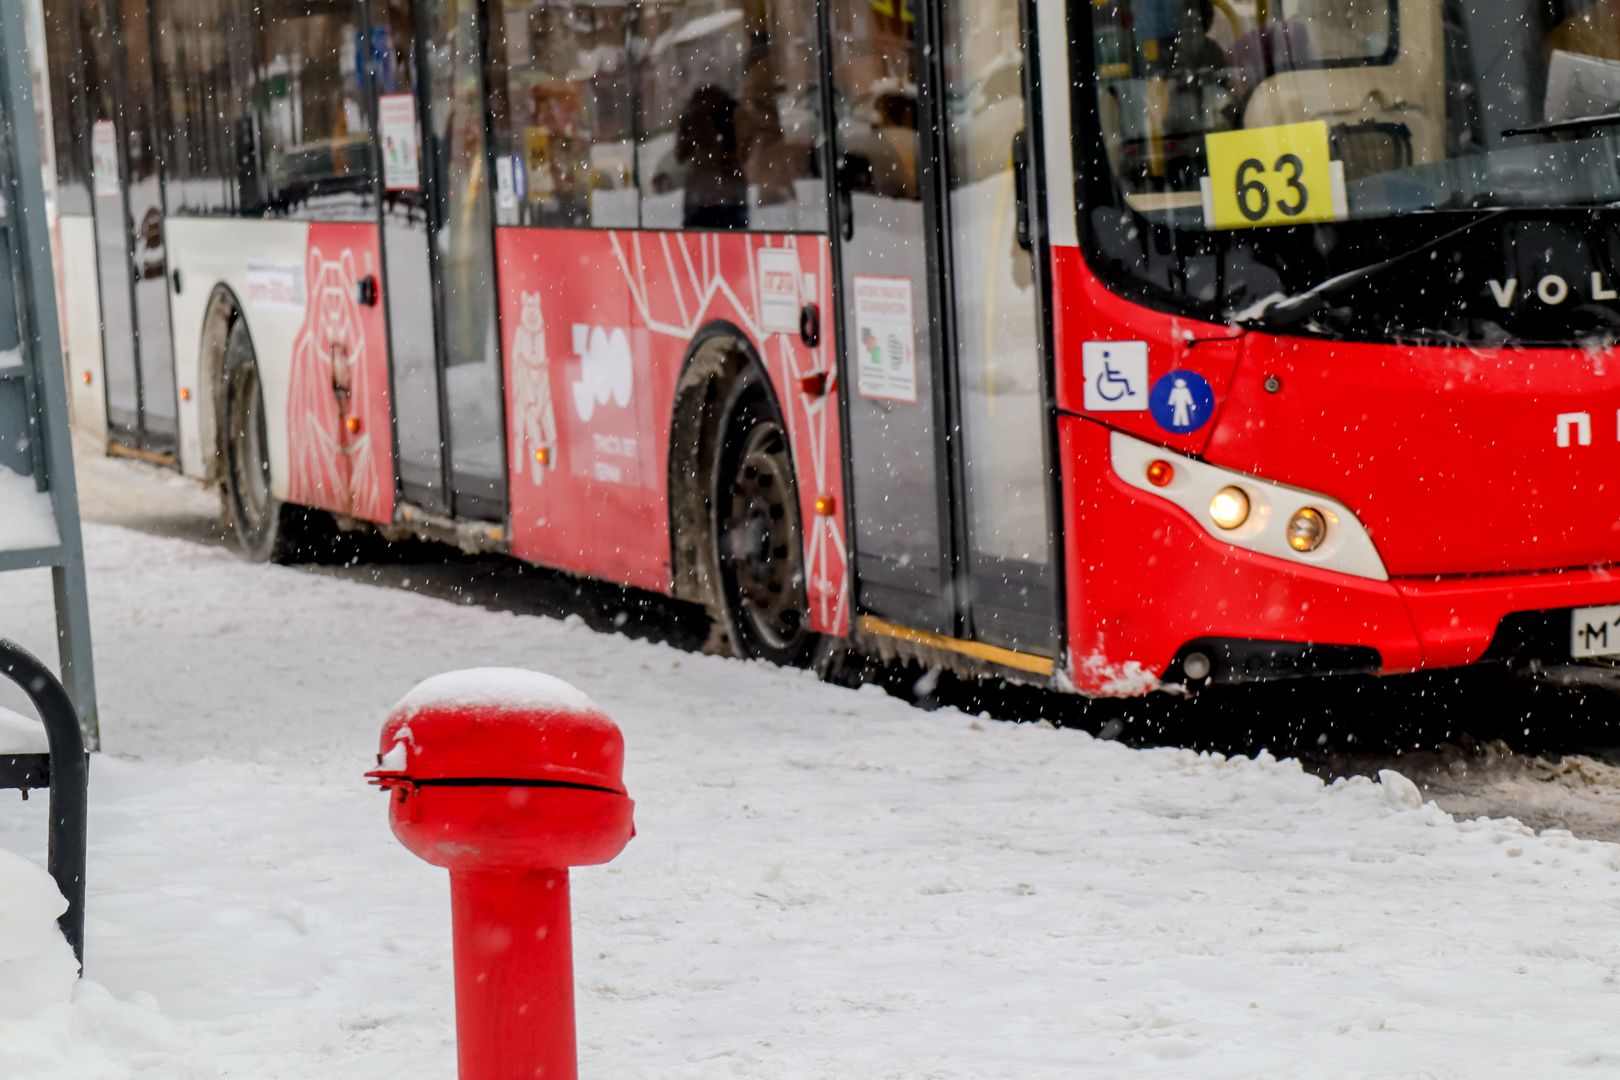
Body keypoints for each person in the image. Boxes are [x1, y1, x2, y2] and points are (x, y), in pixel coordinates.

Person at [677, 84, 748, 229]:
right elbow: (743, 150)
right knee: (734, 242)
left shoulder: (692, 114)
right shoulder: (730, 110)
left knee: (697, 243)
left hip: (701, 192)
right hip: (728, 191)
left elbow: (681, 154)